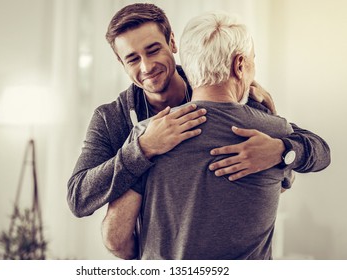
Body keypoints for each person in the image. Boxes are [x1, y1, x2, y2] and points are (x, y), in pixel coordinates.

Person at [101, 10, 330, 260]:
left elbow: (116, 240)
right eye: (253, 60)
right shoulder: (274, 131)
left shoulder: (148, 135)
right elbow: (320, 154)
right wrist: (281, 149)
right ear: (240, 65)